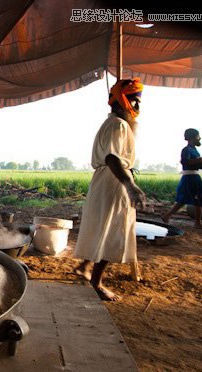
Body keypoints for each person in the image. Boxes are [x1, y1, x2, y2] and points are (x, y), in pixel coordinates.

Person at [73, 78, 147, 301]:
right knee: (113, 231)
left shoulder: (116, 124)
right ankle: (97, 282)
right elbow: (113, 157)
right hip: (114, 181)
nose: (138, 107)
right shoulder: (117, 124)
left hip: (107, 181)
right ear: (126, 101)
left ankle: (85, 267)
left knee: (103, 227)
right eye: (136, 101)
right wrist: (130, 185)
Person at [162, 128, 202, 228]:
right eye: (198, 136)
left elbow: (196, 164)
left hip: (193, 176)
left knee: (183, 200)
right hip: (190, 177)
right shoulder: (186, 150)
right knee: (198, 199)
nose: (199, 138)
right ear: (192, 138)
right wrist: (201, 161)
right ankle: (197, 223)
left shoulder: (194, 150)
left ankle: (167, 216)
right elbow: (185, 162)